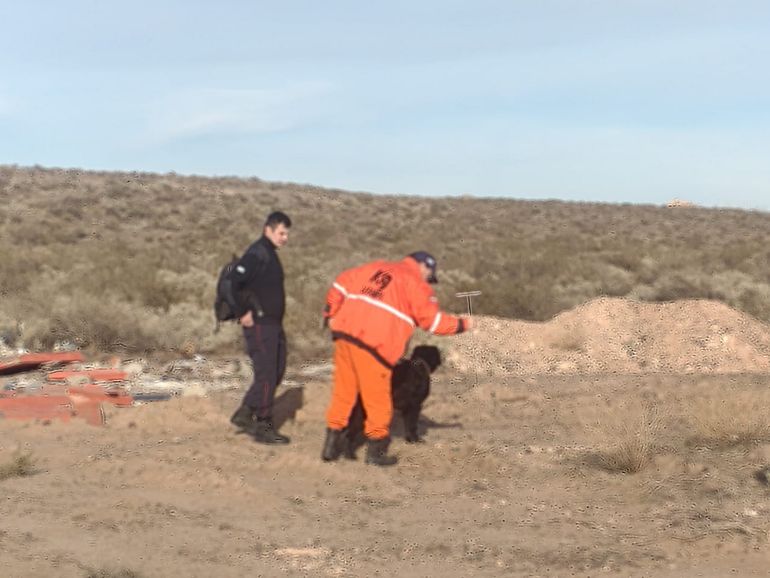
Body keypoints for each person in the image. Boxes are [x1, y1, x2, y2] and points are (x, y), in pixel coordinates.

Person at [321, 251, 473, 465]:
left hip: (344, 335)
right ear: (425, 267)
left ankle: (330, 446)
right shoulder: (416, 284)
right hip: (375, 345)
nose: (428, 281)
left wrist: (330, 313)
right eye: (429, 276)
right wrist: (463, 325)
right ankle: (375, 453)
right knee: (377, 400)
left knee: (344, 392)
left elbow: (340, 284)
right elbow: (433, 322)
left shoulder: (374, 266)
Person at [229, 211, 292, 444]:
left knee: (277, 369)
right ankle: (263, 425)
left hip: (273, 324)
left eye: (286, 234)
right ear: (268, 229)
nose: (284, 238)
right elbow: (234, 281)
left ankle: (245, 412)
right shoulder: (257, 253)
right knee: (266, 374)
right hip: (260, 324)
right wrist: (241, 312)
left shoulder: (269, 253)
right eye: (281, 233)